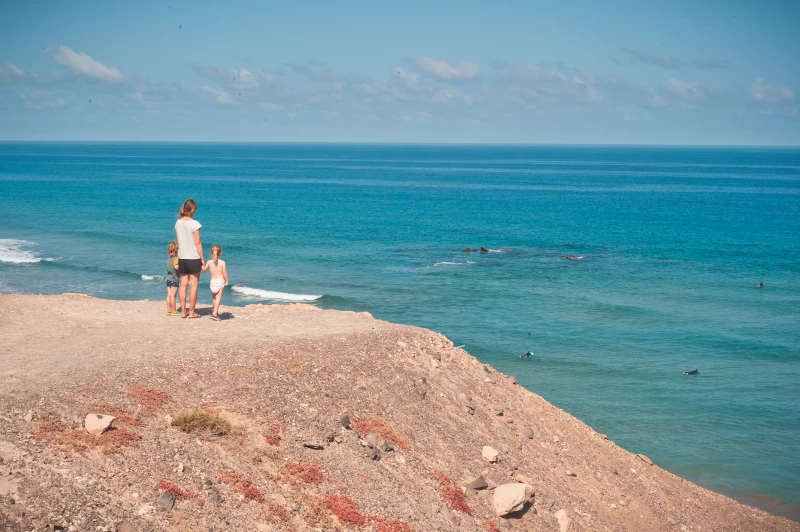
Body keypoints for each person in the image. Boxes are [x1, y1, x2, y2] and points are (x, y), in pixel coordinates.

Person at [175, 199, 204, 318]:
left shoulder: (178, 223)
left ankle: (183, 312)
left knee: (183, 285)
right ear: (193, 210)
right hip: (193, 257)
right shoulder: (195, 224)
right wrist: (202, 258)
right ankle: (191, 312)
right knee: (193, 286)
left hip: (182, 256)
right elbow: (197, 243)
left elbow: (178, 241)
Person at [202, 244, 228, 321]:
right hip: (220, 282)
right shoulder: (222, 262)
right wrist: (227, 280)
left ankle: (215, 311)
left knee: (214, 298)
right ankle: (214, 313)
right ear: (220, 253)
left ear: (211, 253)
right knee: (218, 298)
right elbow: (224, 273)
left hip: (212, 282)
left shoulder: (209, 262)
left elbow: (204, 269)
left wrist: (201, 263)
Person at [165, 241, 181, 315]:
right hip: (174, 279)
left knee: (169, 295)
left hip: (168, 279)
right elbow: (176, 267)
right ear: (176, 250)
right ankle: (174, 310)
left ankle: (169, 308)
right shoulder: (176, 259)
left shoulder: (169, 259)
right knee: (173, 295)